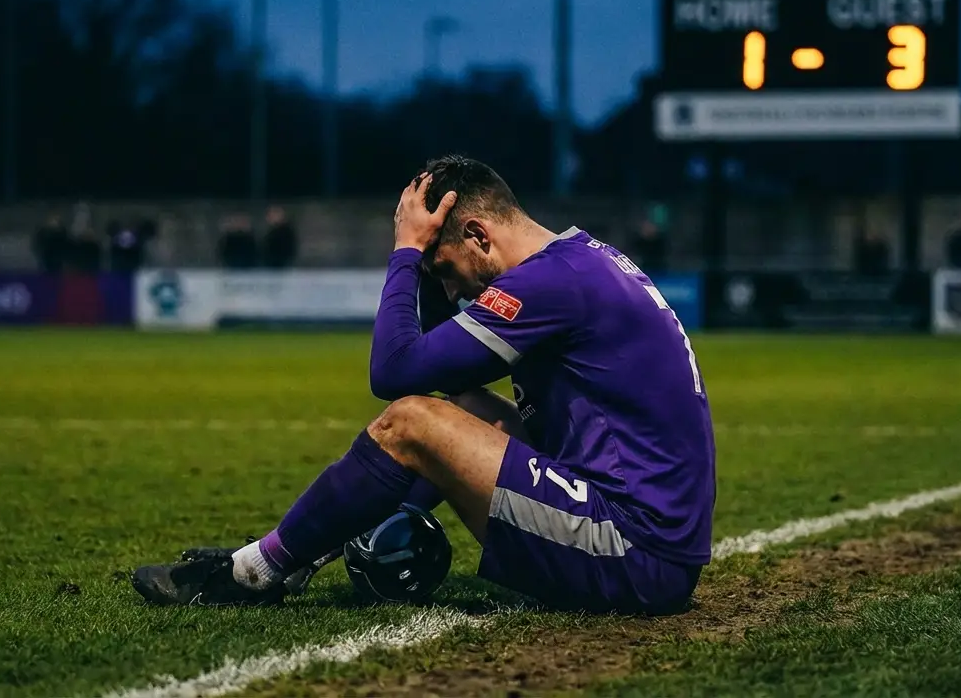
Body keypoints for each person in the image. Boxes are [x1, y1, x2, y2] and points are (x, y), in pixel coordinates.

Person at [132, 156, 716, 615]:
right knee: (465, 412)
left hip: (637, 552)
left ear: (479, 235)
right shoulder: (576, 262)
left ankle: (254, 573)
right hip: (645, 534)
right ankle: (323, 543)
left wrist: (407, 252)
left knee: (412, 421)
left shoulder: (549, 284)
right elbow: (454, 379)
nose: (455, 291)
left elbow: (393, 373)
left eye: (445, 270)